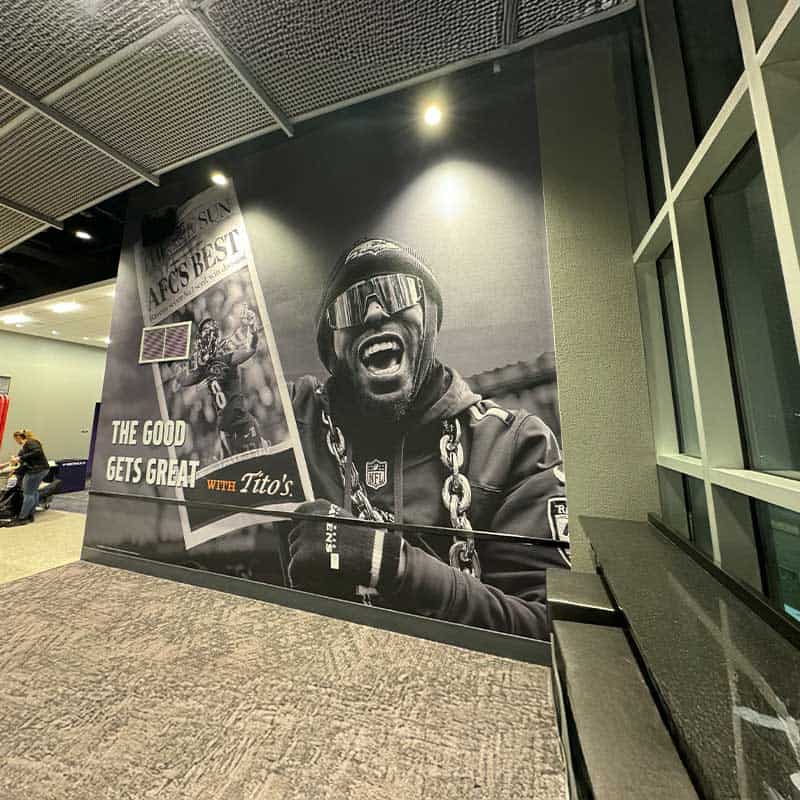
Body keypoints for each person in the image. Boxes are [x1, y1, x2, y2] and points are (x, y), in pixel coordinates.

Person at [286, 238, 570, 639]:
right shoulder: (296, 424)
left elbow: (553, 632)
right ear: (332, 349)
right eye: (352, 304)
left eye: (397, 292)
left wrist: (392, 565)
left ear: (430, 320)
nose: (375, 310)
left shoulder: (515, 446)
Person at [174, 306, 267, 458]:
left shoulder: (226, 359)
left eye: (208, 335)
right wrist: (181, 367)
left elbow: (250, 349)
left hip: (242, 424)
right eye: (203, 335)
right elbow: (182, 381)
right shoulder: (203, 369)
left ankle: (262, 443)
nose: (204, 341)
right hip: (225, 430)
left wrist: (252, 329)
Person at [0, 429, 50, 527]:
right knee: (33, 492)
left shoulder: (31, 442)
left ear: (19, 437)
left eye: (16, 439)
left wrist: (19, 459)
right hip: (41, 470)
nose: (16, 442)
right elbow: (19, 458)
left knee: (28, 494)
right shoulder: (26, 446)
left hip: (36, 471)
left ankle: (22, 518)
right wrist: (4, 465)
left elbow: (37, 452)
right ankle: (30, 514)